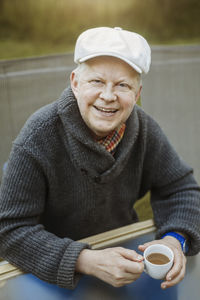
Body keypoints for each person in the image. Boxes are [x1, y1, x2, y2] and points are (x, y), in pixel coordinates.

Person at [0, 27, 200, 291]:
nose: (108, 96)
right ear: (75, 82)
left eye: (123, 85)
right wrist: (84, 260)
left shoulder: (144, 130)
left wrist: (175, 239)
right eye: (97, 81)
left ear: (137, 94)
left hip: (124, 250)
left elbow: (181, 188)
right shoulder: (37, 137)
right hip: (48, 267)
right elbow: (9, 229)